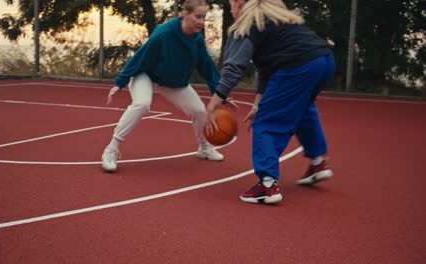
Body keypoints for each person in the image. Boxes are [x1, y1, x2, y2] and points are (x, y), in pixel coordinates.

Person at [205, 0, 335, 204]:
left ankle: (267, 185)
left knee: (265, 123)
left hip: (298, 66)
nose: (231, 9)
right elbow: (268, 68)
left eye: (231, 4)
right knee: (303, 108)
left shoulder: (246, 24)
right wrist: (258, 103)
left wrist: (213, 105)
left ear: (240, 3)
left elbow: (233, 68)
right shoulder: (276, 18)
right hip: (324, 61)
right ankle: (318, 162)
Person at [102, 0, 237, 172]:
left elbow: (208, 68)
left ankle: (204, 147)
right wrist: (120, 82)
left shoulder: (197, 40)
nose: (201, 22)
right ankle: (111, 149)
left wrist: (222, 94)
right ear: (185, 14)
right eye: (198, 16)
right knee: (142, 103)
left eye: (204, 17)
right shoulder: (164, 33)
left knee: (199, 111)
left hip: (174, 83)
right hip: (146, 75)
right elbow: (140, 57)